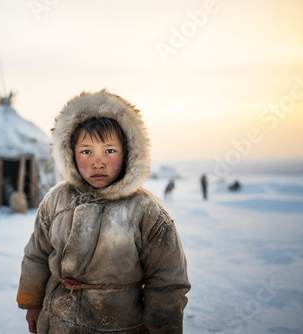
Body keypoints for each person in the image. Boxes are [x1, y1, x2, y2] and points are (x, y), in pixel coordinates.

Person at [16, 90, 190, 334]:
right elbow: (36, 255)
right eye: (87, 152)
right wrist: (32, 303)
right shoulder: (56, 201)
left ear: (128, 152)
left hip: (118, 325)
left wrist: (161, 325)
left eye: (109, 151)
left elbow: (167, 280)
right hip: (57, 321)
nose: (98, 162)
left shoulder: (145, 211)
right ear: (70, 154)